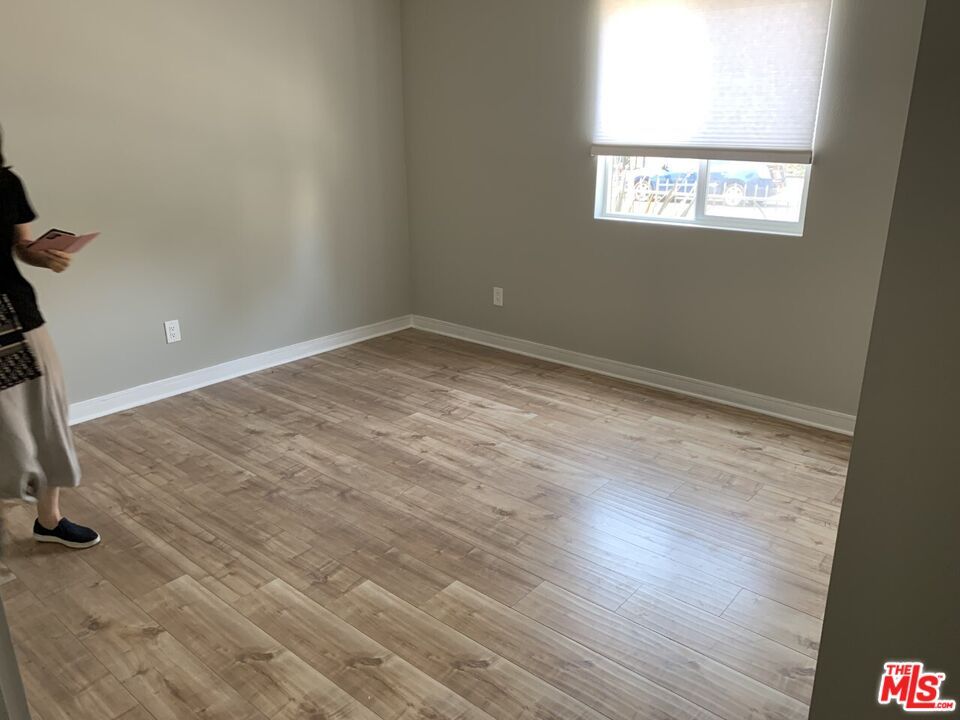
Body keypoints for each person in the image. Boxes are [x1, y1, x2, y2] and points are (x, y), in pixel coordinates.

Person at [0, 129, 99, 549]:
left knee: (46, 412)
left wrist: (43, 255)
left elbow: (21, 245)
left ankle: (49, 520)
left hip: (16, 313)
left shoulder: (5, 182)